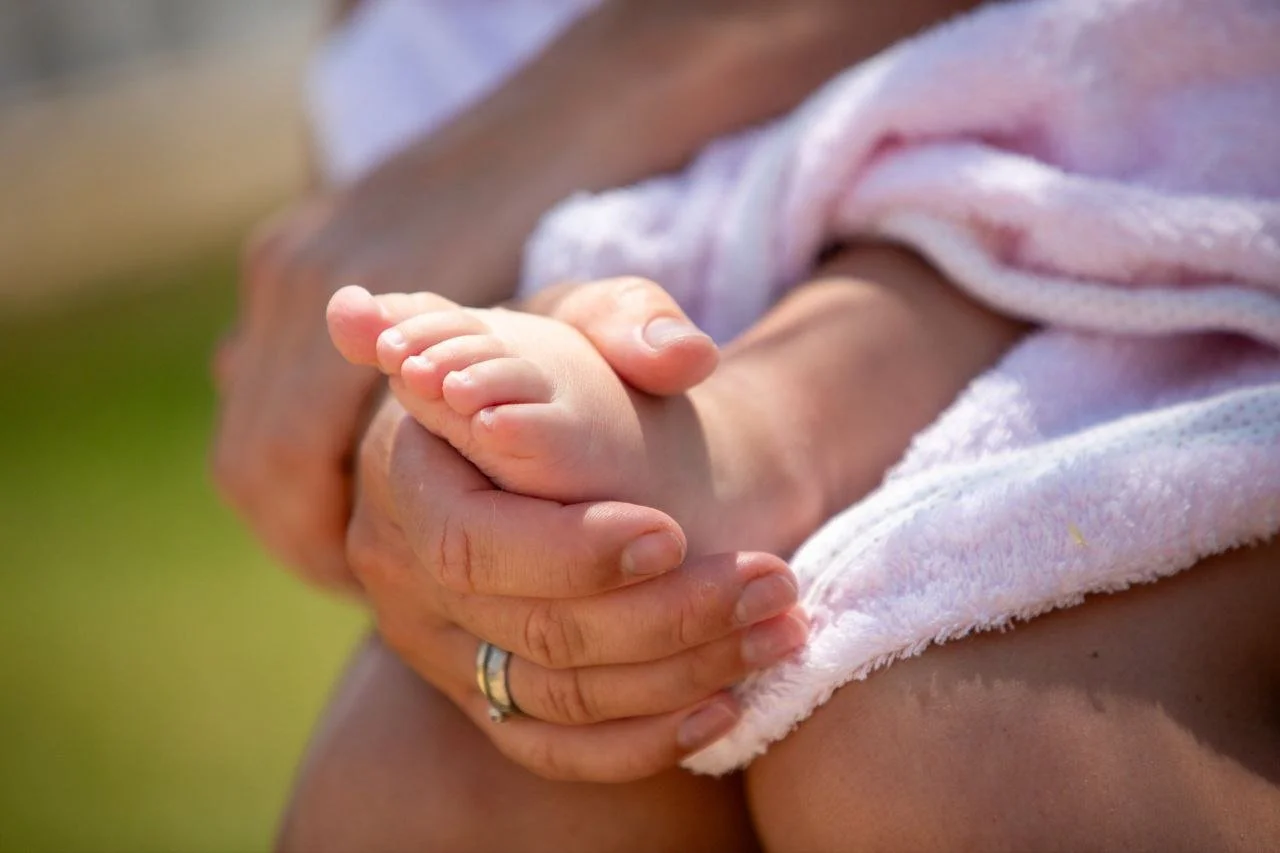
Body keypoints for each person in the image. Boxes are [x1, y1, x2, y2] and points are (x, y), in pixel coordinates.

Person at [209, 1, 1280, 850]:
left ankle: (744, 435)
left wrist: (610, 89)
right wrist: (445, 506)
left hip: (1104, 261)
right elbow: (318, 446)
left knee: (962, 747)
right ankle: (692, 441)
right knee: (426, 790)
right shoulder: (388, 46)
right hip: (642, 322)